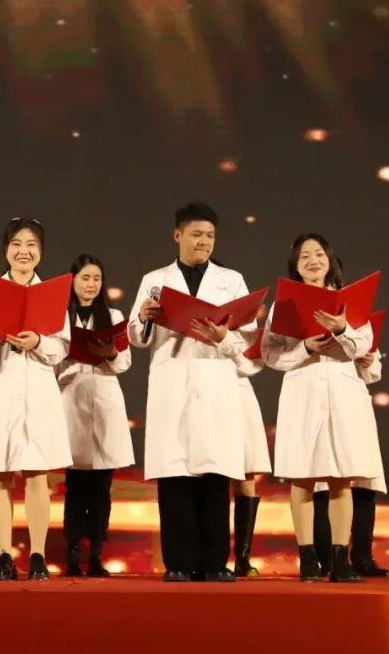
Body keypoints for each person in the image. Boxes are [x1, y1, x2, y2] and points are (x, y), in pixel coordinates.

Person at [128, 203, 252, 583]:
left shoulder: (231, 280)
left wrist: (223, 336)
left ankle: (214, 562)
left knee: (215, 475)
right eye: (197, 234)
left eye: (210, 236)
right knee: (175, 475)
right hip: (173, 383)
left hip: (215, 382)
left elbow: (247, 339)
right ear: (178, 235)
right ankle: (179, 562)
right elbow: (135, 335)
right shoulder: (155, 279)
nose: (204, 242)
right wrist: (144, 318)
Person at [261, 233, 381, 582]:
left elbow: (364, 345)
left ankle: (340, 560)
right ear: (295, 267)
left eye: (318, 254)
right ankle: (308, 559)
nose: (313, 261)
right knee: (303, 477)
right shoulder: (283, 305)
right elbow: (269, 354)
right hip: (303, 392)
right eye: (304, 257)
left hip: (343, 394)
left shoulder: (350, 303)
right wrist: (305, 348)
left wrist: (342, 328)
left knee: (342, 476)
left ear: (329, 260)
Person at [0, 218, 72, 581]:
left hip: (38, 389)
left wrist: (38, 341)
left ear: (40, 251)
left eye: (31, 245)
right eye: (16, 244)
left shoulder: (52, 294)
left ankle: (38, 555)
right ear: (5, 249)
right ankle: (5, 556)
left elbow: (62, 348)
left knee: (37, 473)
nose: (23, 251)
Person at [57, 254, 134, 577]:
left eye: (96, 279)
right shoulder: (60, 316)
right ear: (72, 281)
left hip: (104, 397)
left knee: (102, 489)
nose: (91, 284)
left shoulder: (113, 316)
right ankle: (73, 554)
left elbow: (125, 362)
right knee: (75, 487)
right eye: (85, 278)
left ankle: (96, 556)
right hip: (71, 396)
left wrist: (111, 352)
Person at [313, 349, 389, 577]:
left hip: (355, 404)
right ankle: (328, 559)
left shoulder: (359, 328)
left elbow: (373, 372)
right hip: (322, 402)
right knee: (326, 484)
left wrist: (369, 362)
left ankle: (362, 557)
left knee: (363, 484)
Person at [229, 328, 272, 578]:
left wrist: (224, 340)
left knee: (246, 476)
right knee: (209, 477)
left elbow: (252, 365)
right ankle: (208, 555)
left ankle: (242, 557)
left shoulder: (247, 327)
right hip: (204, 394)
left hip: (240, 393)